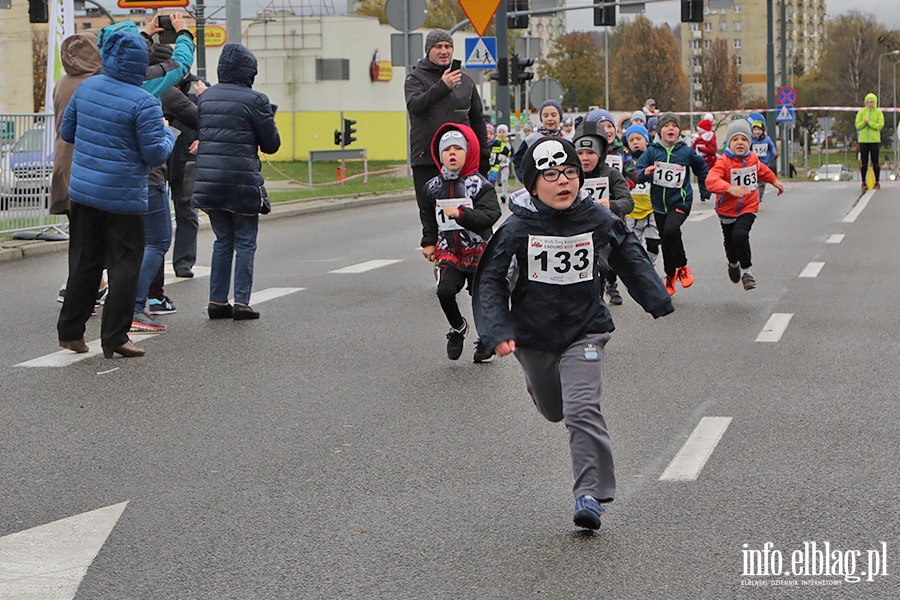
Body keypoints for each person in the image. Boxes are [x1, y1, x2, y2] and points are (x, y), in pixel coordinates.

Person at [472, 137, 674, 530]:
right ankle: (543, 387)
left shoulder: (594, 218)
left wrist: (656, 297)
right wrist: (495, 331)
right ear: (533, 184)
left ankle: (590, 495)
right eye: (550, 175)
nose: (562, 182)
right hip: (533, 336)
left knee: (583, 409)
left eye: (569, 173)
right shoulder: (516, 228)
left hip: (586, 330)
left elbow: (627, 251)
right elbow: (491, 281)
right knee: (554, 410)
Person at [57, 29, 175, 358]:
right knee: (124, 265)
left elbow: (68, 132)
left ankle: (70, 331)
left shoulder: (87, 88)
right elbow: (154, 154)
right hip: (123, 197)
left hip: (83, 192)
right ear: (141, 64)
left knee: (84, 261)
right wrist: (168, 134)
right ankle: (114, 336)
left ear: (107, 56)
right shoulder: (145, 102)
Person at [191, 43, 281, 320]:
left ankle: (217, 301)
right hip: (241, 179)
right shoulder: (256, 100)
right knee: (245, 241)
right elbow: (271, 144)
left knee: (222, 240)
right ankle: (241, 302)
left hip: (209, 179)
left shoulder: (205, 98)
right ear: (250, 72)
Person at [131, 30, 198, 333]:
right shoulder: (158, 90)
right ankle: (143, 301)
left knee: (123, 241)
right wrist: (168, 132)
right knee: (158, 239)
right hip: (154, 174)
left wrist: (143, 31)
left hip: (111, 181)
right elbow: (194, 116)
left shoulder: (97, 86)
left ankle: (110, 299)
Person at [420, 124, 500, 362]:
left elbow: (491, 215)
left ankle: (486, 341)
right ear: (440, 154)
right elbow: (428, 215)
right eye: (447, 150)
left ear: (468, 153)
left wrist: (463, 214)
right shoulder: (432, 187)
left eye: (458, 149)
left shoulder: (480, 185)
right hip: (449, 251)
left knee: (481, 298)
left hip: (478, 251)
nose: (452, 154)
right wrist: (428, 242)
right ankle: (457, 328)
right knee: (444, 291)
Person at [49, 32, 108, 310]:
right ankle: (86, 287)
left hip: (63, 160)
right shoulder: (95, 84)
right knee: (96, 233)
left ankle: (80, 284)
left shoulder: (62, 83)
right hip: (87, 160)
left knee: (79, 231)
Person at [405, 29, 490, 223]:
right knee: (432, 213)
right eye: (438, 47)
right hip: (427, 159)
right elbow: (415, 106)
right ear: (429, 51)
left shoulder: (465, 81)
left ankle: (470, 251)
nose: (444, 51)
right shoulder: (415, 78)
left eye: (448, 47)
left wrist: (483, 153)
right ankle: (436, 249)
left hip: (462, 161)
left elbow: (477, 118)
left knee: (467, 211)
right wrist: (443, 86)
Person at [635, 112, 709, 296]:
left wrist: (705, 188)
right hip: (659, 204)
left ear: (679, 131)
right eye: (666, 126)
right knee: (666, 240)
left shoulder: (685, 151)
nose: (671, 129)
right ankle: (670, 275)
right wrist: (646, 172)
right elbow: (637, 172)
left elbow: (701, 167)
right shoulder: (652, 151)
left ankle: (682, 266)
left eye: (674, 126)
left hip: (681, 201)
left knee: (670, 231)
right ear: (660, 131)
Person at [706, 120, 784, 290]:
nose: (740, 143)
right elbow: (710, 181)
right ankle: (733, 263)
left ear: (749, 142)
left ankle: (747, 272)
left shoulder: (752, 159)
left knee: (740, 235)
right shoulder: (723, 162)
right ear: (728, 143)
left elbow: (762, 170)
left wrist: (774, 181)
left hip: (748, 206)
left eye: (744, 139)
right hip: (726, 209)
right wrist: (729, 188)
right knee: (730, 242)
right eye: (735, 139)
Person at [573, 121, 634, 305]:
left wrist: (611, 204)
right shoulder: (569, 174)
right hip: (574, 236)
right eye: (580, 153)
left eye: (590, 153)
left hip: (603, 236)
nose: (585, 158)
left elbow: (627, 202)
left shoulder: (612, 174)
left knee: (598, 273)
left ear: (600, 154)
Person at [623, 122, 660, 268]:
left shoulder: (652, 158)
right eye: (631, 140)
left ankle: (649, 265)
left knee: (653, 242)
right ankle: (639, 269)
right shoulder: (627, 161)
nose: (635, 142)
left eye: (638, 138)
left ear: (646, 140)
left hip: (651, 208)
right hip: (632, 211)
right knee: (633, 246)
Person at [512, 100, 565, 183]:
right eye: (545, 116)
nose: (550, 118)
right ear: (541, 118)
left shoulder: (566, 139)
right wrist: (523, 177)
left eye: (553, 115)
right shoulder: (532, 139)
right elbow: (518, 159)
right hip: (539, 183)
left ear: (560, 118)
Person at [855, 93, 885, 191]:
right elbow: (858, 125)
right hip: (863, 140)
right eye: (868, 102)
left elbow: (880, 125)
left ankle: (877, 181)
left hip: (874, 140)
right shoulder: (861, 112)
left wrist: (870, 123)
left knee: (875, 161)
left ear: (875, 102)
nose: (870, 104)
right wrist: (864, 123)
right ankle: (863, 182)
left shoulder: (878, 113)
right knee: (864, 162)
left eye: (872, 102)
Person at [750, 119, 777, 202]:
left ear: (763, 131)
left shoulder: (767, 140)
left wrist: (774, 153)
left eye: (759, 130)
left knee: (762, 182)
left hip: (764, 163)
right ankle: (753, 196)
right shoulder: (751, 140)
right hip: (753, 164)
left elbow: (772, 147)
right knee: (753, 181)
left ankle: (759, 196)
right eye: (755, 130)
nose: (757, 132)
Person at [692, 118, 717, 201]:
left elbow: (713, 151)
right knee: (701, 178)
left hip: (709, 162)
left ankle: (706, 192)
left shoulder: (711, 138)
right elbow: (693, 148)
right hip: (700, 161)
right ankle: (703, 193)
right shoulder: (698, 139)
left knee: (707, 178)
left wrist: (702, 149)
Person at [488, 124, 513, 203]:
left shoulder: (507, 143)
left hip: (504, 164)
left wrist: (508, 156)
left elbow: (511, 153)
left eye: (503, 132)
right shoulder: (493, 142)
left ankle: (503, 195)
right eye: (500, 132)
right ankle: (493, 193)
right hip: (495, 165)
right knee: (495, 179)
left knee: (504, 179)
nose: (502, 134)